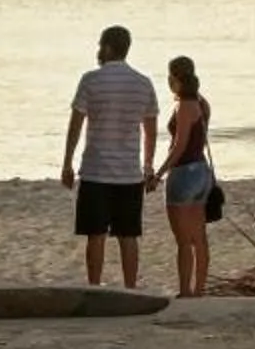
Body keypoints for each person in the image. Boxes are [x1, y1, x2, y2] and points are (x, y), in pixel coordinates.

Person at [61, 24, 159, 288]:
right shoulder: (143, 83)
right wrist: (148, 167)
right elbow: (150, 131)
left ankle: (95, 286)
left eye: (99, 46)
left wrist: (67, 163)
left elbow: (76, 125)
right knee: (128, 236)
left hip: (96, 170)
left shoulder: (91, 80)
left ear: (107, 47)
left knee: (96, 235)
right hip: (129, 173)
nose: (97, 51)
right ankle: (131, 287)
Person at [151, 55, 215, 299]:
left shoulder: (184, 106)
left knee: (183, 240)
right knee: (199, 236)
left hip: (184, 173)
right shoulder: (202, 103)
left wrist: (158, 174)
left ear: (174, 78)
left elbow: (179, 146)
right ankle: (199, 289)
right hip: (201, 170)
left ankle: (186, 291)